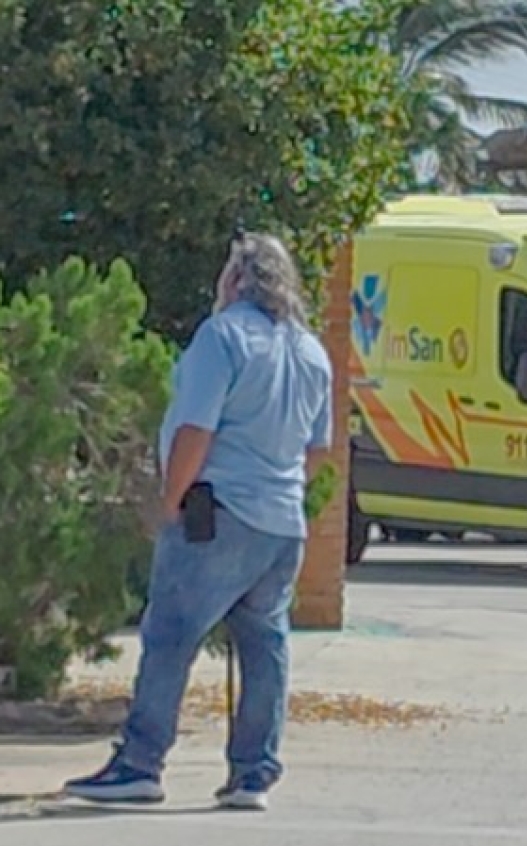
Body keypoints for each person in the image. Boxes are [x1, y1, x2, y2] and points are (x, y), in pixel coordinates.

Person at [63, 233, 333, 811]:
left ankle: (140, 763)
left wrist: (170, 499)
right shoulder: (311, 351)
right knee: (264, 644)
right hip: (282, 522)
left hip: (217, 511)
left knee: (170, 635)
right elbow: (317, 449)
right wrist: (282, 489)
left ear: (237, 278)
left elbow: (195, 430)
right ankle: (254, 772)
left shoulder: (223, 336)